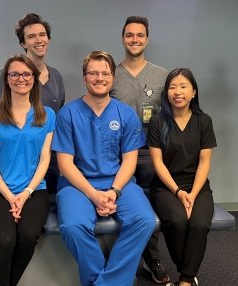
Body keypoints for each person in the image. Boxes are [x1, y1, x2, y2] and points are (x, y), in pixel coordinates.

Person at [52, 50, 156, 286]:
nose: (99, 77)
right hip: (77, 184)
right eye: (93, 73)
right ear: (85, 78)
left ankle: (105, 283)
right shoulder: (68, 113)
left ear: (113, 77)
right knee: (73, 227)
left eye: (105, 73)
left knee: (144, 220)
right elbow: (65, 164)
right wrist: (94, 195)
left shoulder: (126, 114)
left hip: (118, 182)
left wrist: (114, 191)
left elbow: (129, 160)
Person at [0, 54, 55, 286]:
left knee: (28, 236)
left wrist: (26, 192)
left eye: (26, 74)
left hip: (34, 191)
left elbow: (45, 160)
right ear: (7, 79)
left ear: (34, 78)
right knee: (4, 240)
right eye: (14, 74)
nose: (20, 78)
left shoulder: (47, 115)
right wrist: (11, 197)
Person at [110, 15, 170, 284]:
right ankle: (119, 260)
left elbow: (170, 115)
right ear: (123, 38)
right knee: (115, 203)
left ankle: (152, 257)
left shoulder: (162, 75)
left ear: (147, 39)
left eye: (140, 35)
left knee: (150, 204)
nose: (134, 39)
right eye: (129, 35)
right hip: (115, 154)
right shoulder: (110, 74)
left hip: (149, 152)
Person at [147, 68, 216, 286]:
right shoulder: (158, 122)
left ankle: (185, 280)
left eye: (183, 86)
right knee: (176, 220)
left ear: (193, 92)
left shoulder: (203, 121)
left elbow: (205, 162)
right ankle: (188, 273)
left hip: (197, 186)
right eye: (172, 87)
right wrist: (178, 192)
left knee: (199, 223)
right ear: (166, 92)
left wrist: (192, 195)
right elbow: (157, 163)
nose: (178, 92)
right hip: (166, 187)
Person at [0, 13, 65, 194]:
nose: (38, 40)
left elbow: (59, 118)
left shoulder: (56, 76)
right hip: (18, 165)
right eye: (31, 36)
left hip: (49, 163)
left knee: (46, 216)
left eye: (42, 35)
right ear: (23, 43)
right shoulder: (9, 76)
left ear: (48, 39)